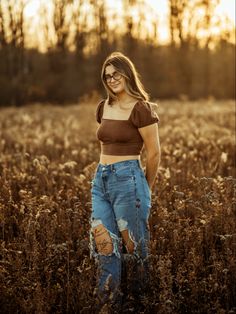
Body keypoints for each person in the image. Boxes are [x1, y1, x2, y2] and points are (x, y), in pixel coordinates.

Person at [89, 51, 161, 312]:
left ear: (127, 73)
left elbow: (154, 153)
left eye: (116, 73)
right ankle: (108, 305)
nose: (111, 79)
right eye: (107, 76)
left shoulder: (141, 109)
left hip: (129, 179)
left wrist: (146, 189)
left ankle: (141, 304)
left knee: (135, 248)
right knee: (104, 245)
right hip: (101, 179)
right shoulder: (103, 107)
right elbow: (106, 141)